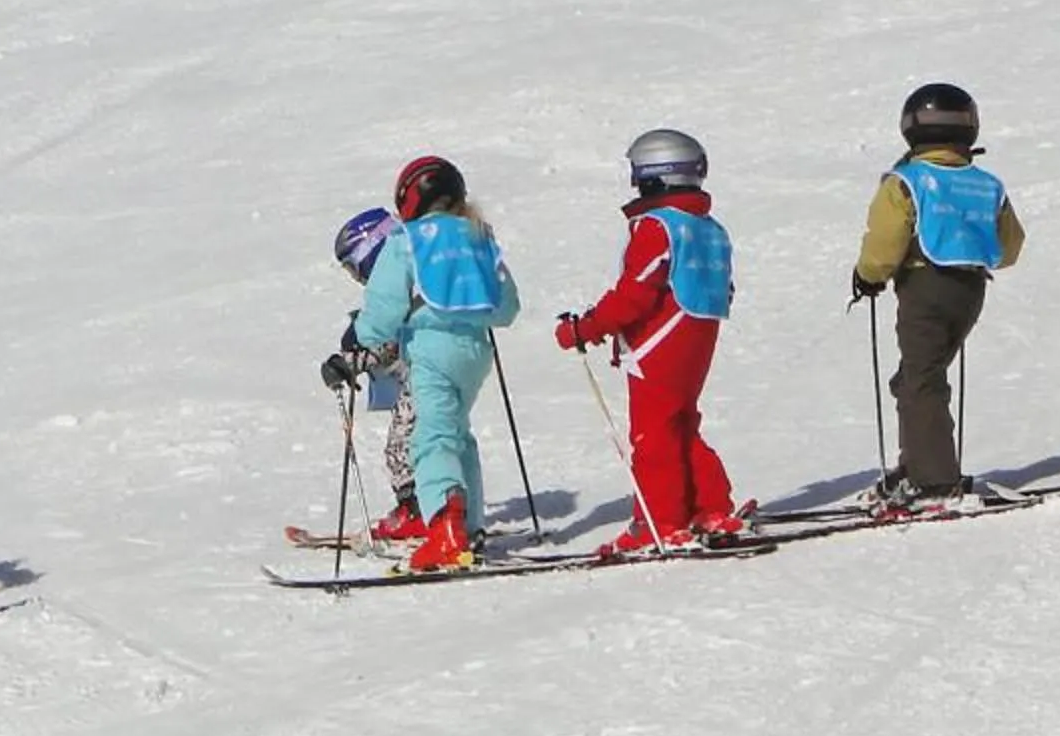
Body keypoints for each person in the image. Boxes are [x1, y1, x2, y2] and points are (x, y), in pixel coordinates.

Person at [554, 128, 744, 549]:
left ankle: (660, 521)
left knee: (653, 433)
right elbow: (724, 287)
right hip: (699, 334)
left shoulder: (658, 226)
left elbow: (634, 294)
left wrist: (585, 328)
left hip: (661, 341)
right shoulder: (708, 227)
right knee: (681, 422)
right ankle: (710, 506)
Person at [345, 156, 522, 570]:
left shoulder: (408, 239)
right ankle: (471, 526)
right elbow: (508, 306)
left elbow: (386, 302)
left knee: (430, 439)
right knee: (458, 434)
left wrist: (365, 337)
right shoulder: (479, 235)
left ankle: (445, 527)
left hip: (430, 349)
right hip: (476, 354)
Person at [852, 83, 1025, 502]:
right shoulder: (985, 183)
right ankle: (917, 462)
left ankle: (933, 479)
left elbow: (887, 238)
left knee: (921, 380)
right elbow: (1010, 245)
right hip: (969, 291)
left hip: (923, 283)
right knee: (917, 375)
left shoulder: (907, 181)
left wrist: (868, 274)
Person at [318, 206, 423, 544]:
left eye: (353, 267)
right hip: (444, 365)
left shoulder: (397, 282)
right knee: (435, 442)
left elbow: (391, 342)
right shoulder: (413, 271)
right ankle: (443, 509)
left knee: (402, 447)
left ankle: (418, 511)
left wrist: (352, 357)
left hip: (427, 371)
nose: (357, 277)